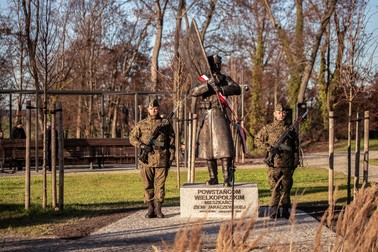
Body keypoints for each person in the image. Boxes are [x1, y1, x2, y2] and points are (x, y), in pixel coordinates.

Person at [189, 54, 241, 187]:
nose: (217, 66)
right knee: (208, 148)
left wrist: (222, 88)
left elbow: (237, 88)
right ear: (210, 64)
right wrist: (208, 85)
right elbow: (193, 92)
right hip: (206, 115)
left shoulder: (224, 78)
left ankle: (226, 177)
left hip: (219, 113)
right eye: (215, 63)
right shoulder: (203, 79)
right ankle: (213, 177)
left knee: (224, 147)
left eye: (219, 63)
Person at [129, 98, 175, 218]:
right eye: (151, 108)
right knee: (147, 185)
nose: (153, 110)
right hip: (146, 160)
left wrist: (171, 158)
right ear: (147, 110)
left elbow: (171, 141)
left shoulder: (165, 124)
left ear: (158, 109)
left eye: (155, 108)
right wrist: (143, 146)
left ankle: (158, 208)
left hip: (161, 159)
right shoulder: (141, 124)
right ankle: (150, 208)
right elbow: (132, 138)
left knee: (160, 186)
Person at [255, 103, 300, 219]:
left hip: (287, 163)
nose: (281, 115)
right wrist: (268, 147)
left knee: (286, 188)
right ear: (274, 114)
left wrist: (296, 160)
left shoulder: (290, 129)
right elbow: (257, 140)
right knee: (274, 188)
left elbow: (295, 147)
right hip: (273, 164)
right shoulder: (268, 128)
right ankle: (274, 211)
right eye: (279, 112)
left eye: (283, 112)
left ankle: (285, 211)